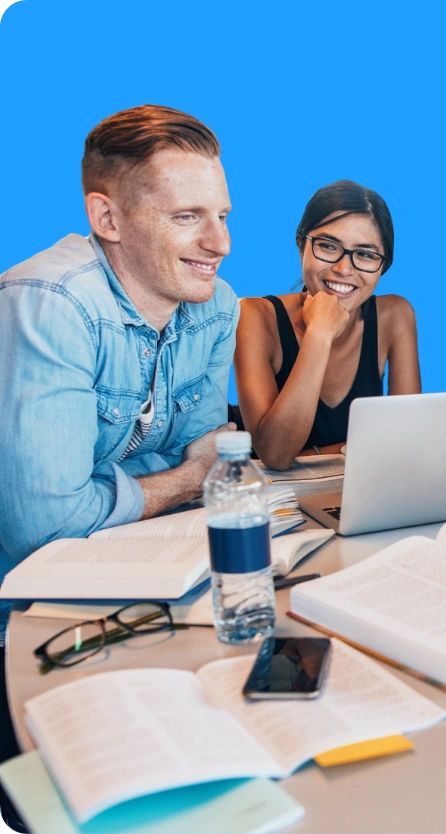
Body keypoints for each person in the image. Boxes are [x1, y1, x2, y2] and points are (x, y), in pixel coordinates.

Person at [0, 104, 238, 822]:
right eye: (188, 217)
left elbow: (206, 462)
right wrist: (185, 477)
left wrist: (174, 480)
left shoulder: (216, 304)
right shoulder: (48, 303)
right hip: (22, 611)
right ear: (107, 218)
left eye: (224, 214)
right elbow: (43, 526)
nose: (220, 243)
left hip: (131, 584)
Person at [235, 181, 420, 470]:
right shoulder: (254, 316)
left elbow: (407, 443)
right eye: (328, 246)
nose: (344, 269)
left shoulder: (395, 316)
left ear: (383, 267)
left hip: (359, 493)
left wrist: (313, 455)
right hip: (277, 502)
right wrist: (319, 333)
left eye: (366, 254)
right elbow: (275, 455)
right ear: (301, 246)